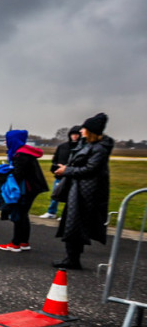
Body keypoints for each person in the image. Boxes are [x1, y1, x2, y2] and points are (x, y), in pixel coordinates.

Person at [52, 113, 114, 270]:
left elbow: (90, 169)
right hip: (79, 189)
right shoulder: (87, 145)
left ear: (91, 131)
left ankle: (72, 259)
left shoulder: (99, 148)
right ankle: (72, 258)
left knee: (75, 225)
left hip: (86, 192)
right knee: (72, 224)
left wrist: (67, 170)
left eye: (84, 128)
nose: (81, 131)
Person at [0, 130, 48, 252]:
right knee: (24, 215)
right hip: (32, 188)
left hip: (26, 189)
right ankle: (24, 242)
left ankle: (15, 243)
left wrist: (3, 172)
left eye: (7, 139)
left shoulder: (20, 155)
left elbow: (17, 174)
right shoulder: (25, 152)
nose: (5, 142)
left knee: (19, 215)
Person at [41, 125, 80, 219]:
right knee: (55, 194)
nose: (74, 136)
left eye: (77, 134)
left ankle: (66, 215)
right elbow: (55, 159)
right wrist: (57, 167)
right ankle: (51, 212)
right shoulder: (62, 146)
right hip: (59, 175)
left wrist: (67, 168)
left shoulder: (81, 147)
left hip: (72, 175)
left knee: (71, 197)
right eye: (73, 134)